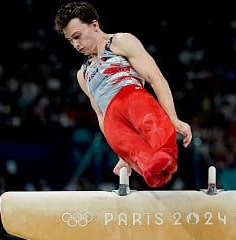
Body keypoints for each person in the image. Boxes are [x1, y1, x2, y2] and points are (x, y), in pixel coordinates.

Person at [54, 1, 192, 187]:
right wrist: (121, 155)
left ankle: (164, 154)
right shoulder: (83, 74)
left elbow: (156, 78)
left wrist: (173, 119)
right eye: (71, 40)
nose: (76, 44)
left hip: (130, 97)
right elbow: (101, 116)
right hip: (111, 118)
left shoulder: (119, 42)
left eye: (77, 36)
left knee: (148, 119)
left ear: (94, 25)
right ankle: (150, 168)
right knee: (128, 146)